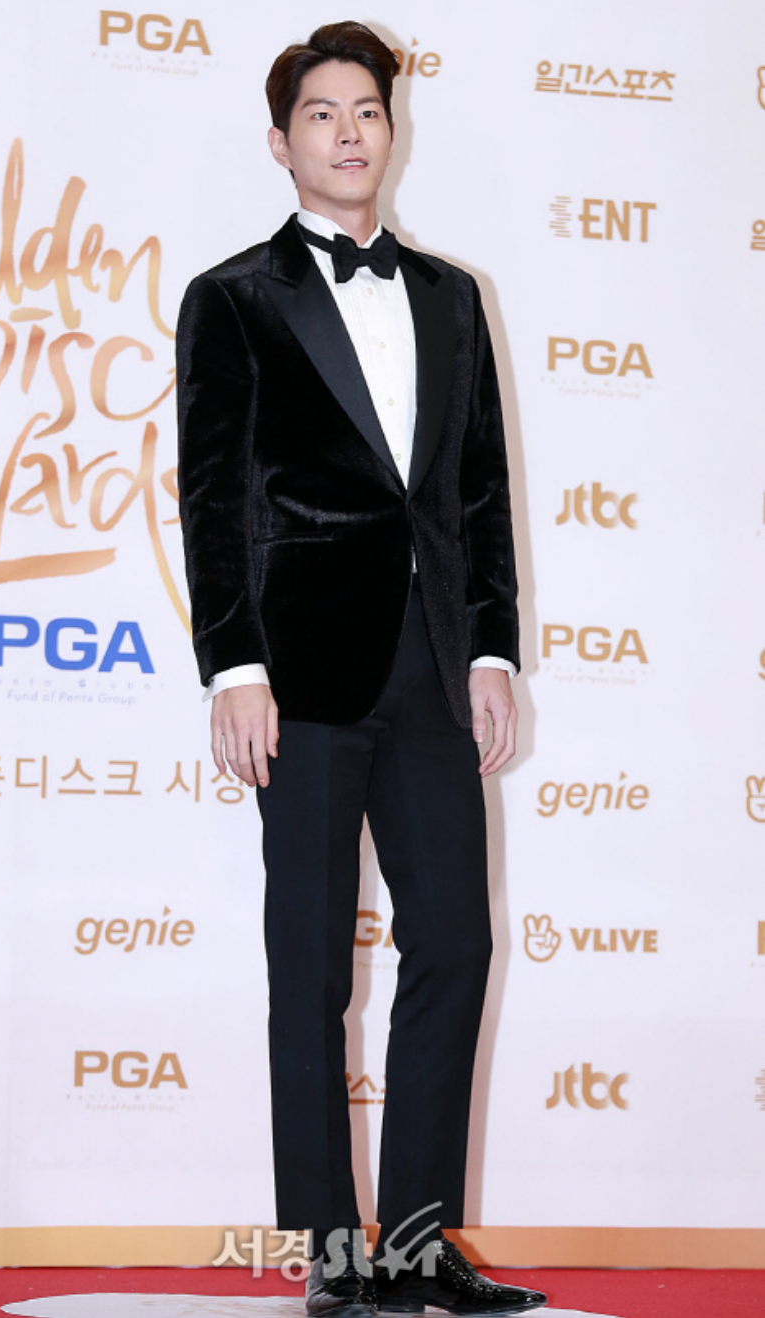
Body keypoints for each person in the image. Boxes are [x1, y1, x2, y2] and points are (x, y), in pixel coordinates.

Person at [176, 21, 546, 1318]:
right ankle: (336, 1255)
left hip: (435, 668)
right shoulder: (232, 297)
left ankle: (421, 1243)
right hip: (300, 677)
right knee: (313, 968)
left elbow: (481, 489)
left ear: (394, 129)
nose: (348, 132)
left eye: (367, 111)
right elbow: (211, 497)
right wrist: (233, 666)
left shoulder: (452, 295)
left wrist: (491, 647)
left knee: (456, 942)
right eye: (321, 114)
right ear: (282, 145)